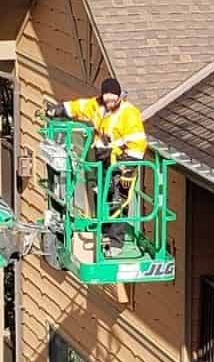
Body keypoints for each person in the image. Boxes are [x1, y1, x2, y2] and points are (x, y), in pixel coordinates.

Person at [51, 78, 148, 251]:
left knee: (118, 201)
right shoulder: (97, 106)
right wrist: (58, 110)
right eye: (107, 98)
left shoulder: (129, 114)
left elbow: (138, 144)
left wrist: (127, 168)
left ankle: (116, 242)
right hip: (103, 160)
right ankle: (103, 232)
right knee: (101, 194)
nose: (110, 102)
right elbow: (78, 107)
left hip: (122, 163)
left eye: (113, 99)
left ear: (119, 96)